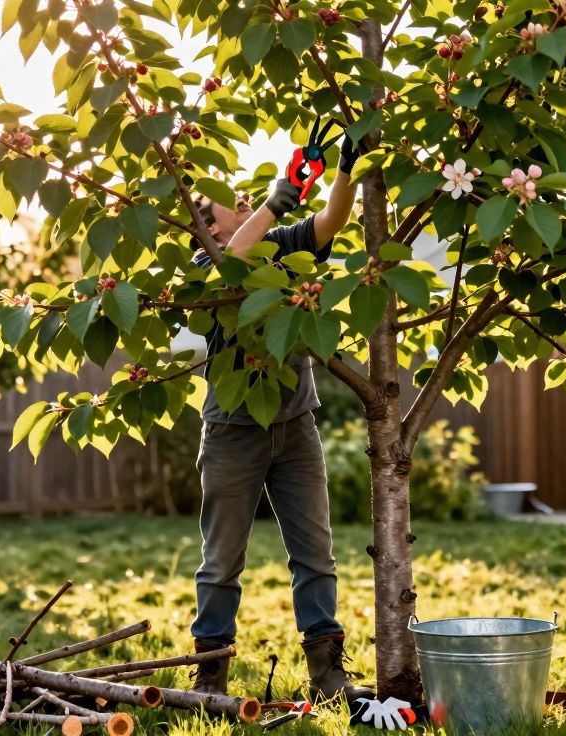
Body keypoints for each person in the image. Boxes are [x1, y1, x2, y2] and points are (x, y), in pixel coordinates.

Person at [186, 133, 373, 704]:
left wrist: (344, 171)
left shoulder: (285, 246)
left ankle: (327, 672)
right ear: (210, 230)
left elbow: (332, 220)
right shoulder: (207, 265)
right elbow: (231, 274)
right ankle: (211, 674)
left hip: (296, 427)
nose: (243, 199)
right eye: (229, 200)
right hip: (232, 434)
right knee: (221, 561)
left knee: (315, 553)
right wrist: (276, 198)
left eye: (250, 196)